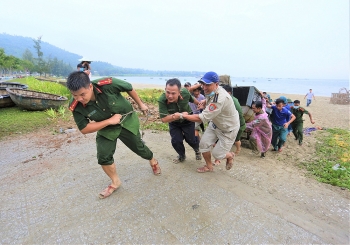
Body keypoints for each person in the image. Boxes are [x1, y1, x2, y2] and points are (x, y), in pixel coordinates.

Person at [66, 71, 161, 199]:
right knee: (103, 155)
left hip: (126, 120)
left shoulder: (106, 84)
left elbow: (129, 87)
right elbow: (84, 128)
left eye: (82, 94)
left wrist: (141, 104)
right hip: (106, 126)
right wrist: (109, 121)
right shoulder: (75, 105)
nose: (79, 99)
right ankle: (115, 182)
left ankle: (152, 160)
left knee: (138, 147)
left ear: (90, 87)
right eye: (75, 95)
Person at [180, 71, 240, 173]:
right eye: (203, 84)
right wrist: (205, 101)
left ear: (216, 84)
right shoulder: (212, 91)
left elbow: (201, 118)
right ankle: (209, 166)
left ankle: (230, 155)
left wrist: (182, 115)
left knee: (218, 154)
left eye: (208, 84)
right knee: (203, 145)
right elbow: (210, 98)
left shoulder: (220, 98)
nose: (204, 87)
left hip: (228, 130)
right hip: (215, 124)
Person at [158, 78, 201, 162]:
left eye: (173, 93)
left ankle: (197, 149)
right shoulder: (162, 100)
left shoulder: (185, 93)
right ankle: (182, 155)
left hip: (188, 120)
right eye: (168, 92)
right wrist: (179, 115)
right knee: (176, 140)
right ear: (165, 90)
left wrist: (199, 104)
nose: (170, 96)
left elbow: (192, 99)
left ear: (179, 92)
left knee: (191, 139)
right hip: (174, 123)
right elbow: (163, 119)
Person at [221, 84, 246, 155]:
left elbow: (239, 114)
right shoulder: (232, 99)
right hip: (235, 123)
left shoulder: (231, 100)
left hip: (239, 124)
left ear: (228, 93)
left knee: (236, 139)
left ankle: (238, 150)